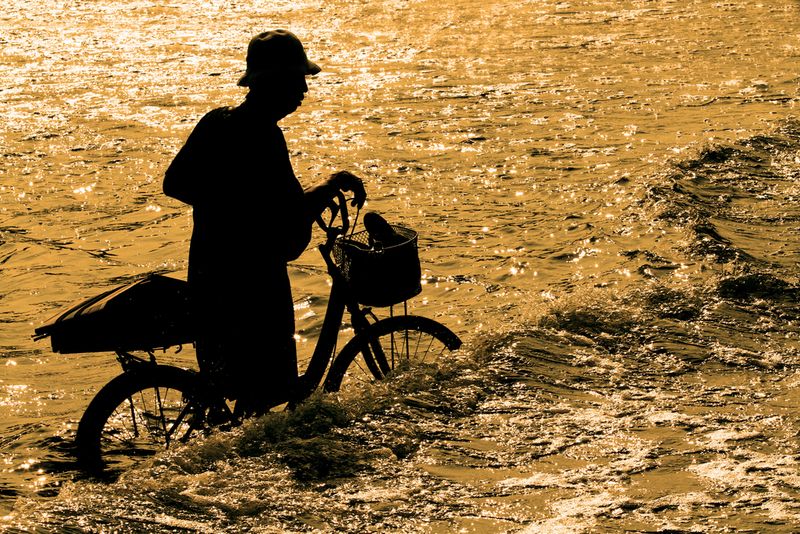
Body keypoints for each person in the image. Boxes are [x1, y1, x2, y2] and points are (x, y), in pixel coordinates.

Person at [163, 30, 366, 416]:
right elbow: (282, 213)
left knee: (235, 384)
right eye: (298, 81)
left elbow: (177, 184)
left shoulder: (217, 122)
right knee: (265, 391)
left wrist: (231, 208)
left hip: (210, 272)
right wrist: (326, 187)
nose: (304, 89)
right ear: (276, 83)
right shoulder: (264, 136)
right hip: (252, 282)